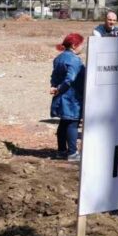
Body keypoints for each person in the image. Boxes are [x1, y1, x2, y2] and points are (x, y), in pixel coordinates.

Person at [50, 33, 86, 162]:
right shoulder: (74, 60)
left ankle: (61, 151)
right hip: (72, 98)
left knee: (63, 123)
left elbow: (53, 77)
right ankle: (72, 153)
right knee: (72, 123)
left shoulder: (58, 58)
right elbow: (70, 79)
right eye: (81, 44)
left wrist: (55, 87)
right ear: (74, 45)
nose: (83, 47)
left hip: (61, 97)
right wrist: (61, 88)